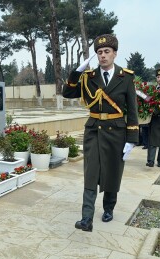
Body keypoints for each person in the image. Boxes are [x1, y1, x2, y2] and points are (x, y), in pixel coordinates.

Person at [63, 34, 139, 232]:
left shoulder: (126, 77)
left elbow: (132, 109)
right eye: (99, 52)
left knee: (113, 171)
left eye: (107, 52)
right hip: (94, 131)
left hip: (117, 132)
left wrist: (132, 139)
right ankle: (86, 218)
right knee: (91, 173)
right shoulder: (89, 77)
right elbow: (67, 93)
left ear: (115, 54)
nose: (103, 55)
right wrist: (76, 73)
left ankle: (108, 208)